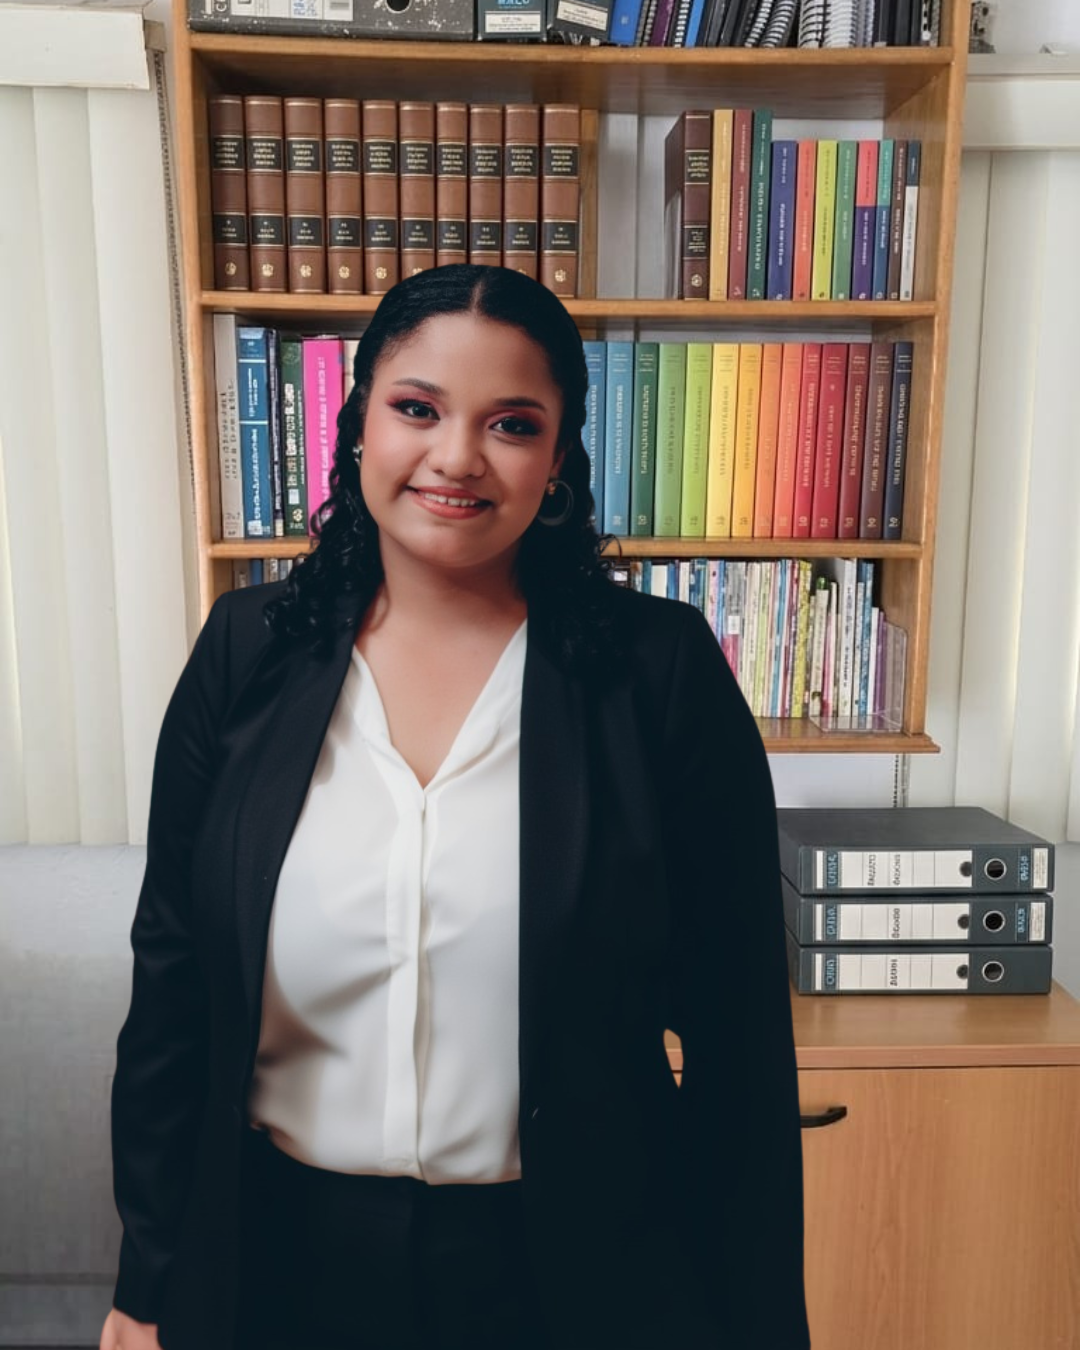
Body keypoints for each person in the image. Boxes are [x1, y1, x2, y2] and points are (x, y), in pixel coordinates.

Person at [100, 263, 809, 1350]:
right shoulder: (247, 651)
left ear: (559, 459)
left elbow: (739, 1041)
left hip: (572, 1278)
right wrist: (146, 1285)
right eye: (417, 408)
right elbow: (174, 988)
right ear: (359, 426)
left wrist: (758, 1326)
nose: (457, 456)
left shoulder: (657, 673)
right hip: (277, 1266)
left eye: (512, 424)